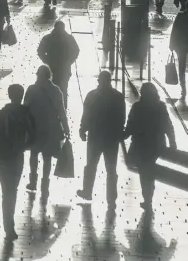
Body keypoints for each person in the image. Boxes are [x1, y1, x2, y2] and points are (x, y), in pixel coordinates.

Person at [0, 84, 35, 241]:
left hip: (1, 156)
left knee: (8, 190)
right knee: (13, 189)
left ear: (9, 94)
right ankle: (9, 226)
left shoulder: (0, 114)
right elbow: (33, 135)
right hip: (17, 156)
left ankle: (8, 226)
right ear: (22, 95)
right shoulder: (26, 113)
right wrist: (24, 146)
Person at [77, 71, 126, 211]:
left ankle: (87, 191)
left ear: (99, 80)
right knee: (110, 168)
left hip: (95, 136)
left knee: (91, 165)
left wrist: (83, 129)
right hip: (111, 138)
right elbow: (122, 117)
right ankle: (111, 197)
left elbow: (86, 115)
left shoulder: (92, 96)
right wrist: (119, 133)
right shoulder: (118, 96)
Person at [124, 83, 177, 211]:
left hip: (141, 145)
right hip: (156, 145)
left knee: (144, 172)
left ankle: (148, 197)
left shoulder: (137, 107)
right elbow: (168, 125)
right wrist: (172, 141)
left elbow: (130, 125)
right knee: (150, 170)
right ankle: (149, 196)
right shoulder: (160, 107)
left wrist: (123, 134)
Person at [24, 65, 69, 203]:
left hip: (35, 127)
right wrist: (66, 128)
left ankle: (33, 181)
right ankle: (45, 185)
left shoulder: (32, 89)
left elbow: (25, 108)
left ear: (38, 75)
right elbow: (61, 111)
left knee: (34, 154)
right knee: (47, 157)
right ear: (49, 75)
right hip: (51, 129)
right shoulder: (56, 90)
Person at [37, 21, 79, 109]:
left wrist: (47, 60)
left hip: (57, 69)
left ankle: (58, 107)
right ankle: (61, 108)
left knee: (58, 89)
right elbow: (76, 51)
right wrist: (69, 61)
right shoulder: (68, 38)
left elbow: (40, 51)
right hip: (58, 69)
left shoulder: (49, 38)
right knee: (61, 89)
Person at [169, 0, 188, 99]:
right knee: (181, 66)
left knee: (181, 66)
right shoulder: (180, 17)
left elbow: (174, 30)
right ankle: (183, 88)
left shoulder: (180, 16)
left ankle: (183, 88)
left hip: (181, 45)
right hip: (183, 45)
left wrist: (171, 45)